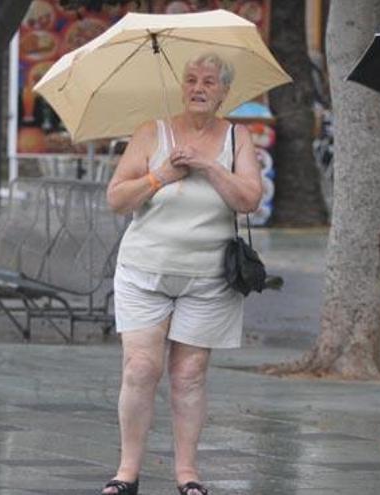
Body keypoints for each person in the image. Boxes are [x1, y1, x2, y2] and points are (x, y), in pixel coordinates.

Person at [102, 52, 263, 495]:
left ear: (224, 91)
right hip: (144, 271)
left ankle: (187, 474)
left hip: (209, 278)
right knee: (140, 369)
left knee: (190, 374)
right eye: (191, 79)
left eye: (209, 81)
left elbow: (249, 198)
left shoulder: (238, 137)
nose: (198, 87)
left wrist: (209, 166)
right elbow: (117, 199)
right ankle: (127, 473)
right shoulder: (152, 132)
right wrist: (161, 175)